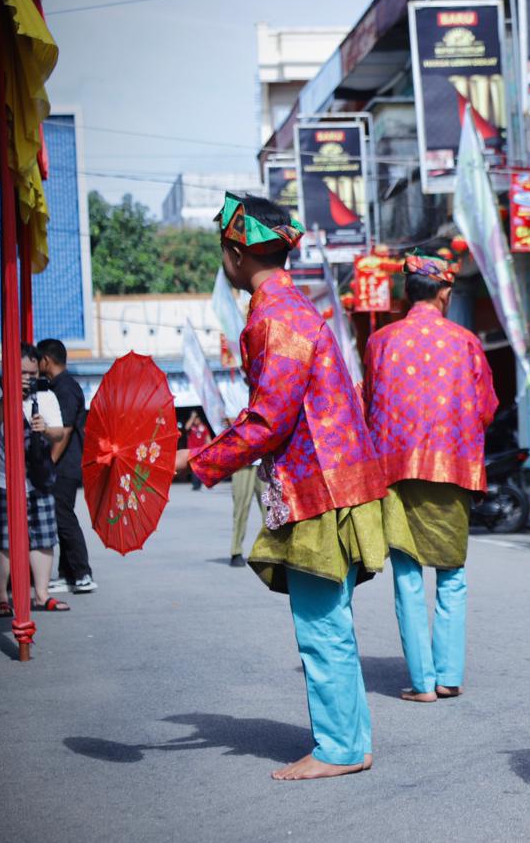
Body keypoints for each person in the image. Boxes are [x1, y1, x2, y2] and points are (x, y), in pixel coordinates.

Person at [180, 193, 389, 780]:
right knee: (332, 626)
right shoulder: (291, 306)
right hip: (336, 482)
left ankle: (341, 749)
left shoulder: (274, 317)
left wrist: (196, 462)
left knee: (323, 629)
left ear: (235, 252)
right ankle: (348, 743)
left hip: (318, 491)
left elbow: (269, 419)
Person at [364, 252, 498, 703]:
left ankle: (421, 683)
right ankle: (449, 675)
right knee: (452, 574)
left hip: (396, 471)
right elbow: (486, 408)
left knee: (407, 574)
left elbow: (368, 406)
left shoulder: (380, 342)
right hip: (452, 467)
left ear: (407, 293)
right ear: (445, 293)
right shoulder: (465, 342)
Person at [0, 343, 68, 615]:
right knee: (2, 541)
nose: (29, 379)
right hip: (1, 479)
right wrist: (7, 400)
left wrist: (45, 429)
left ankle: (42, 595)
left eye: (32, 373)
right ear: (7, 368)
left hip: (37, 479)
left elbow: (59, 434)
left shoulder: (46, 395)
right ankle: (1, 597)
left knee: (43, 538)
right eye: (22, 373)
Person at [37, 339, 95, 594]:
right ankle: (67, 574)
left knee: (64, 518)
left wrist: (49, 462)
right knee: (61, 517)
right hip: (63, 464)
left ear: (46, 360)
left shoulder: (66, 388)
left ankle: (83, 573)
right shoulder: (58, 386)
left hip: (65, 464)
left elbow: (67, 430)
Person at [228, 459, 262, 568]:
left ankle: (273, 552)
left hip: (267, 460)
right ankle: (236, 551)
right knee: (240, 510)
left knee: (272, 512)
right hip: (243, 462)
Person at [184, 411, 210, 490]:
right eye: (194, 419)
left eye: (196, 419)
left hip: (201, 451)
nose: (195, 420)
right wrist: (192, 417)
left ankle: (202, 483)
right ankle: (196, 485)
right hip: (192, 451)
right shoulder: (191, 427)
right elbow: (186, 427)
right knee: (194, 468)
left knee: (201, 468)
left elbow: (208, 439)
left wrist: (210, 448)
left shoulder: (204, 427)